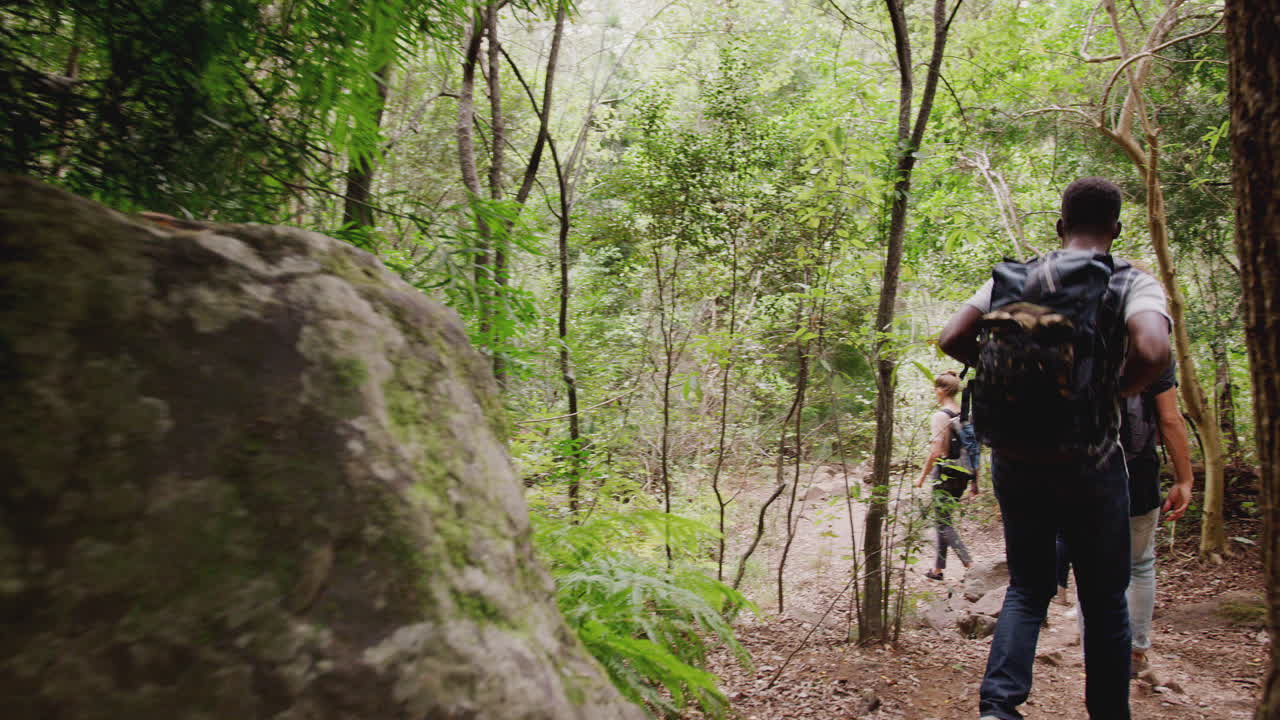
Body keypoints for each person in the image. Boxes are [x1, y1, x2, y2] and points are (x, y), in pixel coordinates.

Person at [937, 177, 1172, 720]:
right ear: (1116, 229)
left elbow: (951, 338)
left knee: (1027, 587)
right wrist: (1116, 390)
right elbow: (1154, 348)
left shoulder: (1014, 279)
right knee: (1105, 599)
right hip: (1092, 461)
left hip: (1016, 456)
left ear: (1061, 226)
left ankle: (998, 708)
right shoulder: (1130, 281)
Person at [915, 371, 977, 581]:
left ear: (942, 390)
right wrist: (975, 480)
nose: (934, 391)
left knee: (943, 522)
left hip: (946, 473)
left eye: (936, 388)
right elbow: (973, 449)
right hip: (963, 473)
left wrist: (922, 477)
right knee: (944, 519)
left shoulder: (941, 416)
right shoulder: (965, 414)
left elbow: (936, 451)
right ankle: (938, 569)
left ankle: (970, 565)